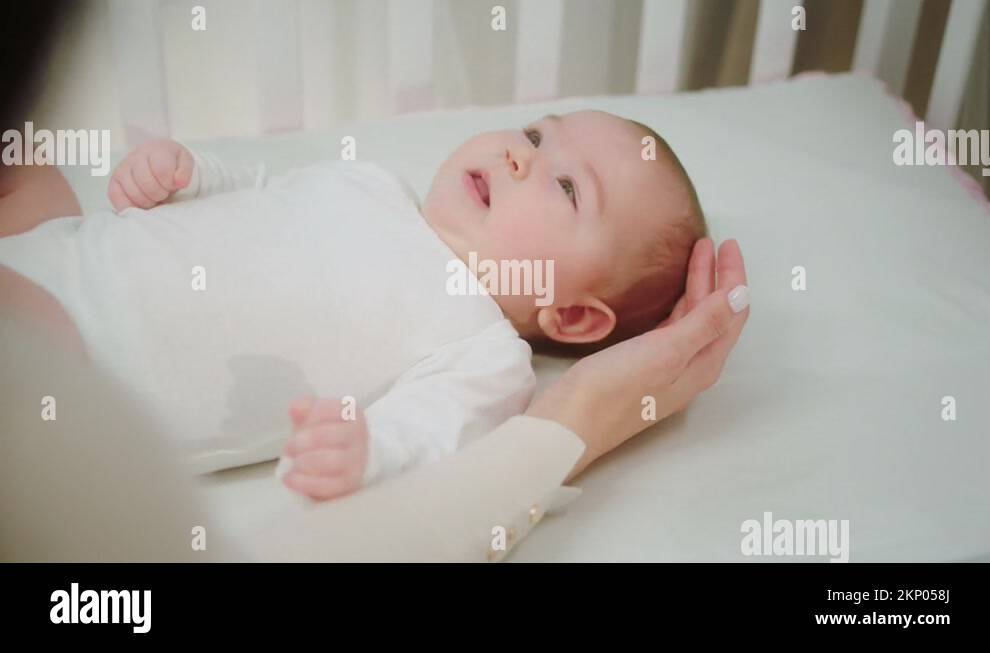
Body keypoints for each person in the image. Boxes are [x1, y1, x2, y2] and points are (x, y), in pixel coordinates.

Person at [0, 109, 709, 500]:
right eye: (532, 134)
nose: (519, 157)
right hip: (63, 245)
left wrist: (368, 453)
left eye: (566, 188)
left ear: (574, 317)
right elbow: (262, 191)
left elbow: (428, 436)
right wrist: (189, 175)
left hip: (83, 367)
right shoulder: (370, 181)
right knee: (28, 164)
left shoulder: (484, 351)